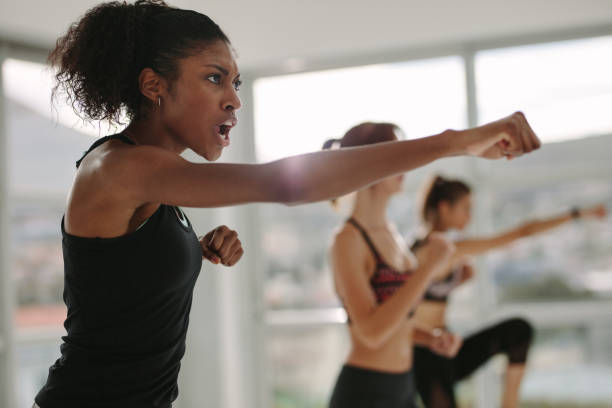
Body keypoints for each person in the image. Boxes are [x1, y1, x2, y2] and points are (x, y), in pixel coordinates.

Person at [34, 1, 540, 407]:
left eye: (236, 82)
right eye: (214, 78)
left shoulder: (160, 185)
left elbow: (117, 281)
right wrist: (452, 142)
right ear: (154, 86)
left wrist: (194, 248)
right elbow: (287, 185)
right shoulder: (117, 168)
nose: (233, 98)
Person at [411, 175, 607, 408]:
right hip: (425, 355)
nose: (469, 216)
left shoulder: (427, 246)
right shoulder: (442, 248)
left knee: (518, 331)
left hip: (445, 348)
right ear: (444, 208)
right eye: (466, 208)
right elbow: (523, 231)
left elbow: (425, 294)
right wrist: (578, 214)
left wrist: (457, 281)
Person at [324, 123, 465, 408]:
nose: (405, 165)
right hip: (365, 392)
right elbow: (371, 332)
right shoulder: (348, 240)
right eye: (395, 156)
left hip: (403, 386)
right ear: (368, 163)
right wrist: (427, 269)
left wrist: (430, 338)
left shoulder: (391, 233)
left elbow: (396, 322)